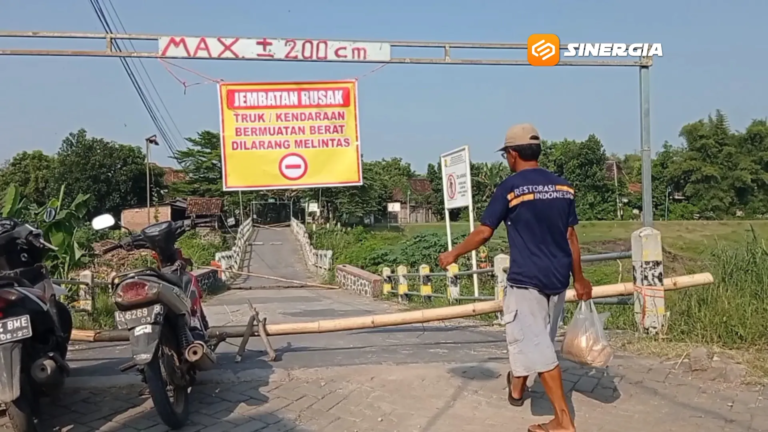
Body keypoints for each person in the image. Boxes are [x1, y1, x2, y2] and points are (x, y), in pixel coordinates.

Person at [438, 123, 592, 432]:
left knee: (538, 347)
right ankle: (517, 387)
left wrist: (453, 254)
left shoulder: (510, 188)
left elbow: (484, 231)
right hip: (558, 279)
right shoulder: (563, 187)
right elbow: (571, 236)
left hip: (527, 281)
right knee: (536, 340)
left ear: (511, 154)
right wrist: (580, 278)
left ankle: (563, 421)